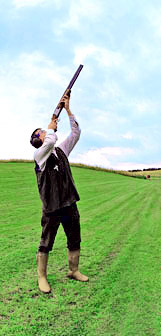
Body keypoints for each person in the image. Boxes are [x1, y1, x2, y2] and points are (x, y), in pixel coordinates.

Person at [29, 91, 88, 294]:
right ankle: (42, 277)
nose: (44, 133)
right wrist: (51, 125)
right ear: (38, 140)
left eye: (44, 131)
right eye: (41, 132)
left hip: (69, 203)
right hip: (52, 207)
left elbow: (76, 134)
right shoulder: (39, 156)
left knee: (75, 238)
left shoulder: (61, 149)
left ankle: (74, 270)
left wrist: (68, 110)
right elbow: (50, 140)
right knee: (46, 242)